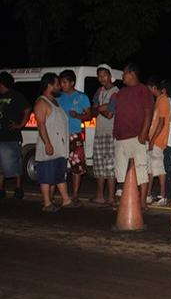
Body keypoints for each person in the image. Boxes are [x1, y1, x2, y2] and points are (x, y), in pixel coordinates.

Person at [33, 73, 79, 212]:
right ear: (49, 85)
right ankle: (47, 203)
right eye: (57, 84)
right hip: (49, 146)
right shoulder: (41, 102)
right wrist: (47, 143)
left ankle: (66, 200)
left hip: (59, 147)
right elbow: (41, 125)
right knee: (46, 175)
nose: (59, 87)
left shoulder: (54, 102)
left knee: (59, 175)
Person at [113, 63, 154, 210]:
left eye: (124, 73)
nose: (122, 76)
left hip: (137, 136)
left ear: (132, 73)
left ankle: (142, 202)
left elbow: (149, 113)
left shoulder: (143, 90)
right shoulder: (121, 92)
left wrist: (143, 133)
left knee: (141, 170)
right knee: (121, 171)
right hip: (121, 137)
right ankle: (127, 202)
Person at [58, 69, 91, 202]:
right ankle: (58, 193)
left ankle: (75, 194)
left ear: (72, 82)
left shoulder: (81, 97)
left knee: (76, 166)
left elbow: (88, 115)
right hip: (60, 134)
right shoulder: (58, 97)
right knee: (58, 163)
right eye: (61, 82)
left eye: (65, 82)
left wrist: (77, 115)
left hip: (75, 134)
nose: (62, 85)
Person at [90, 64, 119, 206]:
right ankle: (100, 196)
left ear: (110, 75)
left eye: (104, 75)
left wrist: (99, 107)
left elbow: (109, 114)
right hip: (99, 133)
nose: (101, 78)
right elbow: (93, 111)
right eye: (99, 75)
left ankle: (111, 198)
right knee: (99, 166)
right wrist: (103, 106)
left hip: (110, 134)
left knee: (110, 167)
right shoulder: (99, 91)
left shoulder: (116, 92)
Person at [0, 71, 31, 200]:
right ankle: (0, 189)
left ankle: (18, 189)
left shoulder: (16, 96)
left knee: (14, 163)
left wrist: (20, 125)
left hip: (11, 136)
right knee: (0, 164)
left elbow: (27, 109)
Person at [146, 76, 171, 204]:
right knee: (150, 168)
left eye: (149, 89)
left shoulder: (162, 100)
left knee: (159, 168)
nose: (148, 91)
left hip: (158, 140)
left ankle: (162, 196)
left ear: (154, 88)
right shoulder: (159, 100)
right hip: (154, 139)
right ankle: (148, 194)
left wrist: (153, 140)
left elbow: (161, 123)